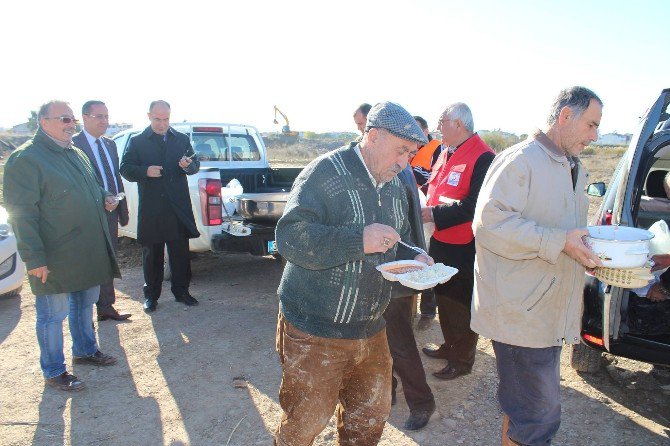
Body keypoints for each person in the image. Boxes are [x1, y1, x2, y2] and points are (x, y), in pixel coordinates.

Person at [274, 102, 433, 445]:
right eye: (402, 151)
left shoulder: (393, 182)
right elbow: (289, 238)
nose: (405, 162)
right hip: (314, 329)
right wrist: (357, 240)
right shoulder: (325, 173)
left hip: (373, 327)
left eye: (412, 153)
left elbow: (394, 239)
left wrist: (413, 255)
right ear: (373, 136)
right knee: (305, 424)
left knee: (369, 421)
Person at [471, 86, 603, 446]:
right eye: (591, 125)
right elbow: (488, 226)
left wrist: (588, 250)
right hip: (520, 314)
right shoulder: (520, 161)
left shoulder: (572, 165)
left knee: (525, 411)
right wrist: (561, 241)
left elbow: (560, 229)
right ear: (565, 117)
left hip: (546, 312)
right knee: (538, 418)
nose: (595, 135)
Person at [3, 100, 120, 391]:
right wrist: (35, 258)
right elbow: (22, 213)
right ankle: (54, 370)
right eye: (64, 119)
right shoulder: (26, 159)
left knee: (84, 303)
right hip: (54, 255)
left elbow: (92, 185)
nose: (71, 124)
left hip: (86, 249)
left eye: (72, 121)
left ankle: (85, 350)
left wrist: (104, 195)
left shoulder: (75, 152)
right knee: (52, 315)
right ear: (44, 122)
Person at [352, 104, 436, 429]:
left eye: (364, 127)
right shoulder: (377, 167)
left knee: (399, 343)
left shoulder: (394, 170)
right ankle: (390, 393)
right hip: (380, 273)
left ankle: (422, 404)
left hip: (396, 273)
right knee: (380, 342)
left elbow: (405, 228)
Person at [421, 103, 495, 381]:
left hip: (465, 244)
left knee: (460, 303)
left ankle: (462, 359)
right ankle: (448, 345)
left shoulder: (483, 157)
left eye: (442, 121)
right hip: (440, 237)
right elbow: (435, 185)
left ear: (459, 125)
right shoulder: (445, 150)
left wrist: (434, 213)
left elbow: (475, 206)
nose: (438, 127)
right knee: (443, 298)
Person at [120, 100, 200, 312]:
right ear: (149, 116)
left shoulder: (181, 139)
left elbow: (195, 164)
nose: (162, 124)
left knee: (180, 254)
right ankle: (151, 296)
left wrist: (188, 165)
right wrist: (145, 171)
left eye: (166, 119)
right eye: (158, 119)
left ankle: (182, 292)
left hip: (177, 208)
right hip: (152, 208)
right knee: (152, 255)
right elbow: (125, 168)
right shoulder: (137, 141)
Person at [73, 100, 131, 321]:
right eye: (99, 117)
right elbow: (79, 181)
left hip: (111, 210)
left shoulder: (109, 144)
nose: (104, 121)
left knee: (109, 259)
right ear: (85, 118)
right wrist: (100, 198)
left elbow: (114, 177)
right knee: (89, 260)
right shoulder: (74, 145)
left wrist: (120, 203)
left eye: (106, 117)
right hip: (88, 213)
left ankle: (106, 306)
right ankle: (85, 311)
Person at [410, 115, 442, 192]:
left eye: (416, 131)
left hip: (423, 197)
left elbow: (438, 177)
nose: (412, 134)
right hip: (407, 193)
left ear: (426, 132)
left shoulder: (438, 148)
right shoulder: (407, 147)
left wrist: (409, 171)